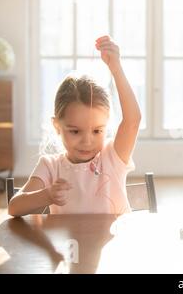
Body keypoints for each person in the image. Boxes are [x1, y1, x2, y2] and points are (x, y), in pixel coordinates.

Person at [8, 36, 141, 216]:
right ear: (57, 126)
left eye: (97, 130)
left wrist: (116, 68)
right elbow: (14, 207)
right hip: (68, 245)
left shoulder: (112, 157)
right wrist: (46, 195)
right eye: (75, 131)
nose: (87, 141)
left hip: (113, 245)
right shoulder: (50, 166)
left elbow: (132, 121)